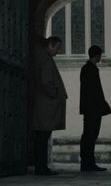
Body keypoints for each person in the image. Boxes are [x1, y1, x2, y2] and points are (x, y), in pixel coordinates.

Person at [32, 36, 68, 175]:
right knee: (43, 137)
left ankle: (40, 167)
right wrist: (55, 94)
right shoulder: (46, 59)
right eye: (57, 48)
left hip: (42, 102)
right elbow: (46, 82)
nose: (58, 52)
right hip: (46, 104)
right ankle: (41, 168)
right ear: (50, 45)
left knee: (41, 137)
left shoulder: (40, 57)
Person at [79, 45, 111, 172]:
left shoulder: (86, 68)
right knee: (91, 135)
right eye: (100, 55)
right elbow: (95, 91)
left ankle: (87, 162)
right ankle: (88, 162)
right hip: (93, 108)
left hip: (89, 107)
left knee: (88, 134)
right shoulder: (91, 69)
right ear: (97, 55)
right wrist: (101, 105)